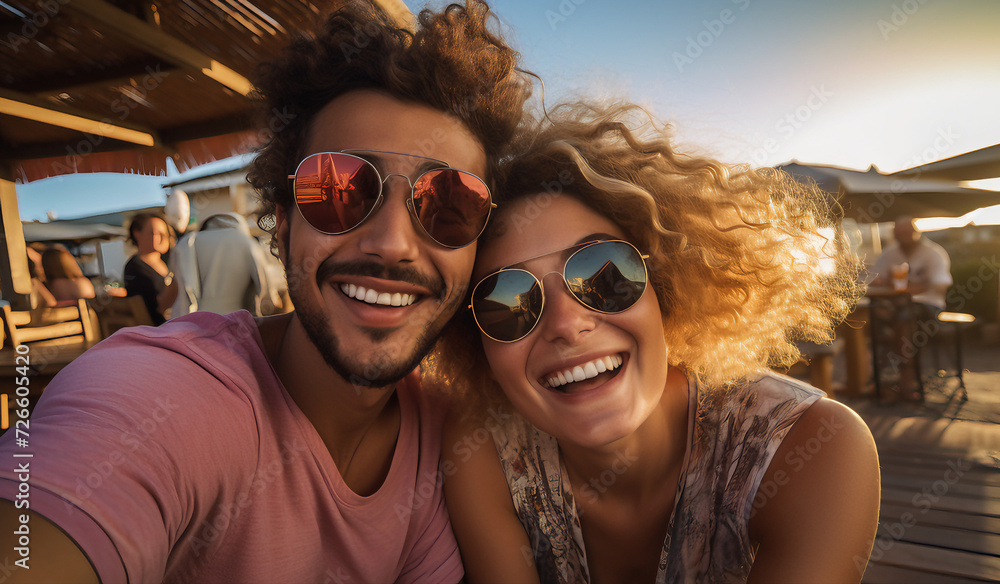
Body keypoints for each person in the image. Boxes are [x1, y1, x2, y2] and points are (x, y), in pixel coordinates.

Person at [0, 1, 529, 582]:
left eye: (449, 206)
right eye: (340, 192)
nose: (393, 243)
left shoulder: (443, 436)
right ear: (283, 222)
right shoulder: (162, 400)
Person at [432, 105, 881, 583]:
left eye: (605, 273)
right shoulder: (482, 452)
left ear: (664, 289)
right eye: (507, 300)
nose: (566, 323)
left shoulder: (812, 448)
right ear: (474, 339)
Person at [169, 212, 282, 317]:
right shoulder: (247, 242)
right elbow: (265, 287)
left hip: (195, 324)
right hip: (237, 322)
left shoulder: (187, 242)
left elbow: (176, 289)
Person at [871, 216, 953, 314]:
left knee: (906, 315)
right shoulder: (888, 254)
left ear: (917, 232)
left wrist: (908, 289)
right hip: (894, 303)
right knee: (874, 313)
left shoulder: (933, 253)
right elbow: (874, 279)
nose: (903, 237)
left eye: (907, 233)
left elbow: (940, 285)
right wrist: (887, 281)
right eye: (899, 234)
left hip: (928, 303)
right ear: (894, 234)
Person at [123, 212, 179, 324]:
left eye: (165, 233)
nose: (164, 237)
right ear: (137, 234)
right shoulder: (136, 268)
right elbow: (159, 307)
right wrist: (179, 281)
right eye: (156, 233)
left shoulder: (165, 262)